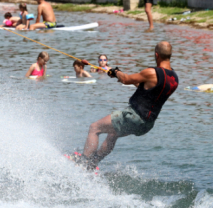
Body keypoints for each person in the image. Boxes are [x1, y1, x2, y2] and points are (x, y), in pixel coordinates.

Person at [71, 42, 179, 170]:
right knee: (113, 134)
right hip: (147, 124)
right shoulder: (174, 78)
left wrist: (116, 72)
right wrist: (117, 74)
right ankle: (93, 163)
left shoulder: (152, 72)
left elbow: (126, 79)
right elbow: (146, 89)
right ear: (170, 55)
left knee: (94, 128)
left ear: (156, 55)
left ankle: (84, 163)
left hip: (134, 116)